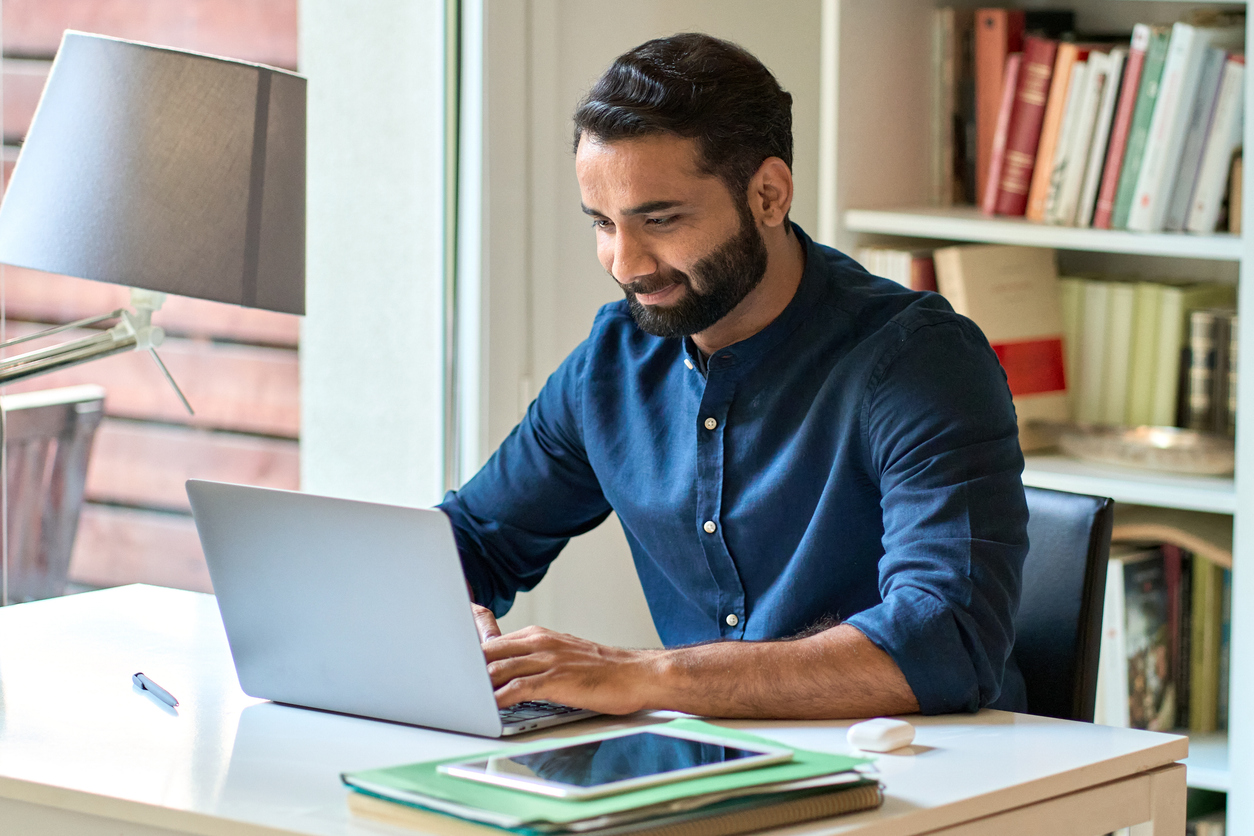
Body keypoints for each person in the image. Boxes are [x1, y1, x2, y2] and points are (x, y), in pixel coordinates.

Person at [439, 32, 1028, 720]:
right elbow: (473, 541)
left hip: (924, 773)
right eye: (603, 223)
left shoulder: (919, 362)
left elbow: (946, 640)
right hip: (715, 766)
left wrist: (645, 676)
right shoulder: (612, 362)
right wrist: (448, 615)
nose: (625, 264)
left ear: (769, 195)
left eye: (660, 220)